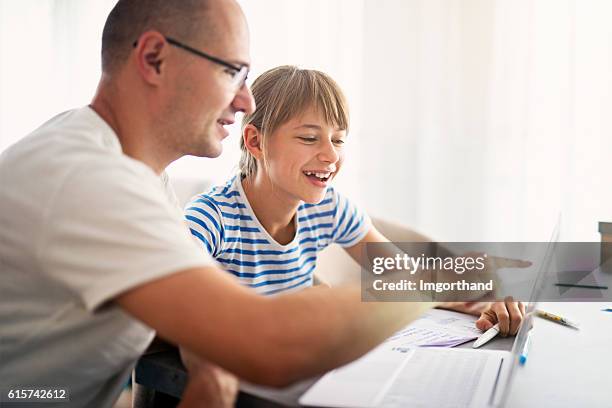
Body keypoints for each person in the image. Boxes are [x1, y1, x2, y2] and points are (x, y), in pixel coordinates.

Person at [0, 3, 520, 408]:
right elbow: (266, 342)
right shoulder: (90, 179)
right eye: (233, 71)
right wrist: (426, 283)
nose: (246, 100)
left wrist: (477, 284)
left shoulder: (138, 177)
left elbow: (201, 308)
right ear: (154, 58)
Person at [185, 65, 525, 334]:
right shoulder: (210, 219)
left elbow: (403, 278)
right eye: (308, 138)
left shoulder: (329, 209)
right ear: (256, 142)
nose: (330, 156)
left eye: (338, 140)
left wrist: (480, 302)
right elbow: (178, 308)